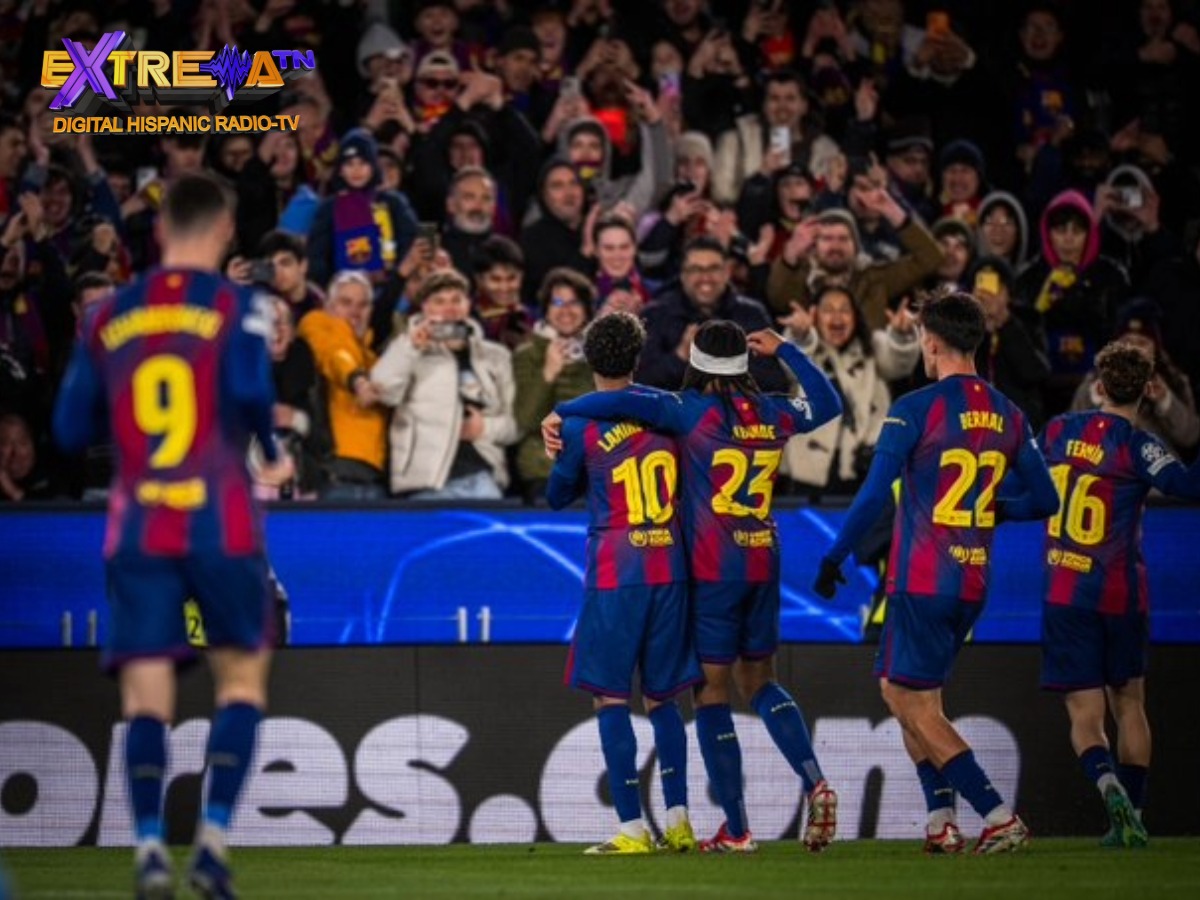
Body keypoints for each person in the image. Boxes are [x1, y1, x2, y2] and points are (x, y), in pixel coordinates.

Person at [51, 173, 294, 898]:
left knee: (146, 702)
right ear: (223, 232)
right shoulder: (240, 307)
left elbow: (66, 430)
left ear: (157, 233)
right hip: (220, 520)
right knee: (242, 684)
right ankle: (214, 842)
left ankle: (151, 847)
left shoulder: (108, 315)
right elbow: (252, 393)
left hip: (140, 524)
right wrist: (271, 452)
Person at [546, 319, 844, 853]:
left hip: (706, 567)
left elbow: (613, 404)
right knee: (761, 682)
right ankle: (814, 779)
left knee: (709, 691)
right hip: (762, 559)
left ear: (697, 360)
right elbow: (828, 404)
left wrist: (562, 411)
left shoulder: (686, 411)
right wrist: (788, 352)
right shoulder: (774, 411)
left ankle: (734, 827)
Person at [813, 291, 1060, 855]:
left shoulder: (915, 408)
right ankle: (938, 820)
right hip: (972, 581)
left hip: (922, 577)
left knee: (906, 698)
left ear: (933, 342)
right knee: (915, 697)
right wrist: (993, 509)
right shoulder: (1008, 413)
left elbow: (875, 494)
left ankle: (996, 815)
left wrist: (833, 558)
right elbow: (1045, 500)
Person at [1030, 341, 1200, 848]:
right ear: (1147, 391)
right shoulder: (1139, 445)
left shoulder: (1059, 430)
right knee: (1130, 705)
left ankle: (1110, 793)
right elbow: (1188, 487)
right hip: (1121, 594)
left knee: (1085, 717)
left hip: (1065, 591)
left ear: (1098, 386)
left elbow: (1028, 484)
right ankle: (1137, 812)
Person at [545, 311, 701, 854]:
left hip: (616, 570)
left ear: (590, 360)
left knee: (610, 699)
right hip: (670, 568)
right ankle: (680, 822)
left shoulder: (578, 425)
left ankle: (633, 829)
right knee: (665, 700)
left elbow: (557, 494)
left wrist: (560, 441)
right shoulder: (669, 415)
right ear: (637, 359)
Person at [371, 270, 517, 499]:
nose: (449, 309)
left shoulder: (495, 356)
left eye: (456, 300)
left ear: (468, 305)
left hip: (482, 479)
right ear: (425, 308)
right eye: (439, 302)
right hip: (425, 482)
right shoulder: (407, 348)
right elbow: (382, 390)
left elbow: (514, 424)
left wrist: (484, 428)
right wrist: (411, 347)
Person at [513, 268, 595, 502]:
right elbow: (526, 419)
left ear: (587, 310)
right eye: (558, 302)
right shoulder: (527, 355)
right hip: (544, 470)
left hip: (594, 469)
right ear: (546, 309)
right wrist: (548, 372)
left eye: (574, 303)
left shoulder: (599, 355)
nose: (566, 311)